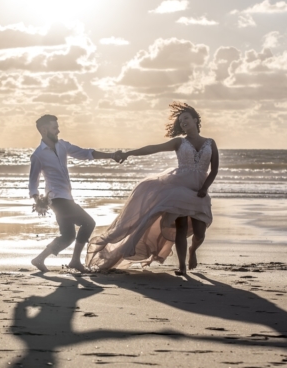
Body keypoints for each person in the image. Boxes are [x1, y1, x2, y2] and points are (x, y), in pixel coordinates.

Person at [86, 102, 219, 275]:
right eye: (181, 121)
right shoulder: (179, 142)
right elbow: (153, 148)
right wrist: (128, 153)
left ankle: (192, 251)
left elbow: (214, 169)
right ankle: (182, 267)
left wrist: (205, 187)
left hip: (200, 190)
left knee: (200, 232)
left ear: (195, 119)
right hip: (178, 188)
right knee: (181, 227)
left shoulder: (210, 143)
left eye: (186, 118)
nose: (183, 122)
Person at [29, 114, 120, 273]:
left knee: (68, 236)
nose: (58, 131)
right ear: (44, 130)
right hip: (57, 199)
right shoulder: (38, 155)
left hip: (66, 197)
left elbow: (85, 153)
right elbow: (33, 182)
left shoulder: (62, 146)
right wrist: (38, 200)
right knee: (89, 223)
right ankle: (75, 261)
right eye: (54, 128)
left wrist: (111, 155)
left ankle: (39, 259)